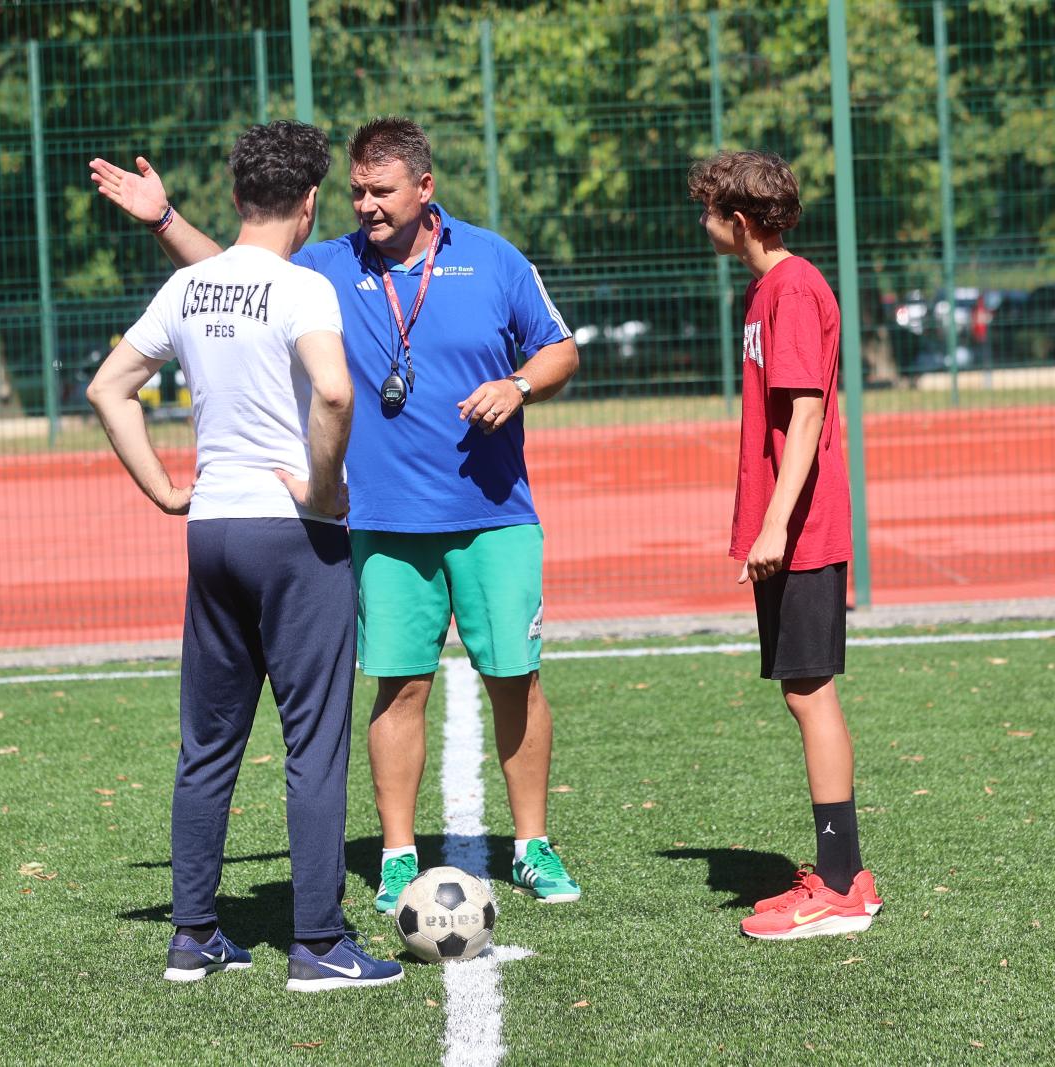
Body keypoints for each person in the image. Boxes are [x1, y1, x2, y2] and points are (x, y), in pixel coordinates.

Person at [90, 116, 584, 913]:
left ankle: (533, 846)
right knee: (399, 687)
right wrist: (164, 219)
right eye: (355, 191)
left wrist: (518, 385)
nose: (365, 206)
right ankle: (396, 855)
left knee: (514, 679)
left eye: (381, 191)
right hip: (379, 522)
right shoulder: (326, 267)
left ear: (426, 188)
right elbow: (234, 275)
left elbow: (561, 348)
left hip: (494, 514)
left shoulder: (495, 259)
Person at [86, 120, 402, 990]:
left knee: (209, 742)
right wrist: (324, 488)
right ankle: (320, 944)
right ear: (310, 202)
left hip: (214, 530)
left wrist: (163, 487)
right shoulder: (304, 288)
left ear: (234, 197)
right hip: (295, 536)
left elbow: (109, 388)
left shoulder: (189, 287)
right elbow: (334, 390)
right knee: (314, 745)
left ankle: (193, 935)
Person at [688, 150, 883, 939]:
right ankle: (843, 873)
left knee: (810, 690)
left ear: (737, 221)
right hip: (788, 525)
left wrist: (775, 523)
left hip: (803, 527)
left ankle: (841, 883)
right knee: (801, 689)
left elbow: (806, 416)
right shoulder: (767, 289)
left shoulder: (793, 288)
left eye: (708, 212)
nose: (703, 224)